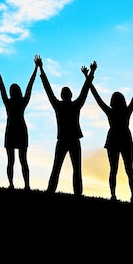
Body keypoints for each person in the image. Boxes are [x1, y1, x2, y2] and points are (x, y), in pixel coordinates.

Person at [37, 56, 96, 196]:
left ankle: (61, 192)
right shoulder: (70, 105)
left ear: (65, 95)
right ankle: (64, 192)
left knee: (64, 168)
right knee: (64, 168)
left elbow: (49, 90)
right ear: (68, 95)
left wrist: (91, 73)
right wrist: (41, 69)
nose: (66, 93)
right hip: (68, 139)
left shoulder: (64, 105)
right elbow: (49, 89)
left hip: (68, 139)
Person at [89, 68, 133, 203]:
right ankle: (132, 196)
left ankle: (116, 195)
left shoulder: (112, 111)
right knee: (128, 169)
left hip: (116, 138)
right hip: (122, 138)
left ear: (113, 101)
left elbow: (97, 98)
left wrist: (89, 77)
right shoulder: (125, 111)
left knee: (115, 169)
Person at [0, 55, 39, 190]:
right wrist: (36, 68)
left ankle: (14, 184)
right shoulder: (21, 102)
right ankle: (25, 185)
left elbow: (1, 84)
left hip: (12, 129)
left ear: (11, 92)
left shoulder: (9, 102)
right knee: (22, 160)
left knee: (12, 161)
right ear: (19, 91)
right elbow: (30, 86)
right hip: (19, 129)